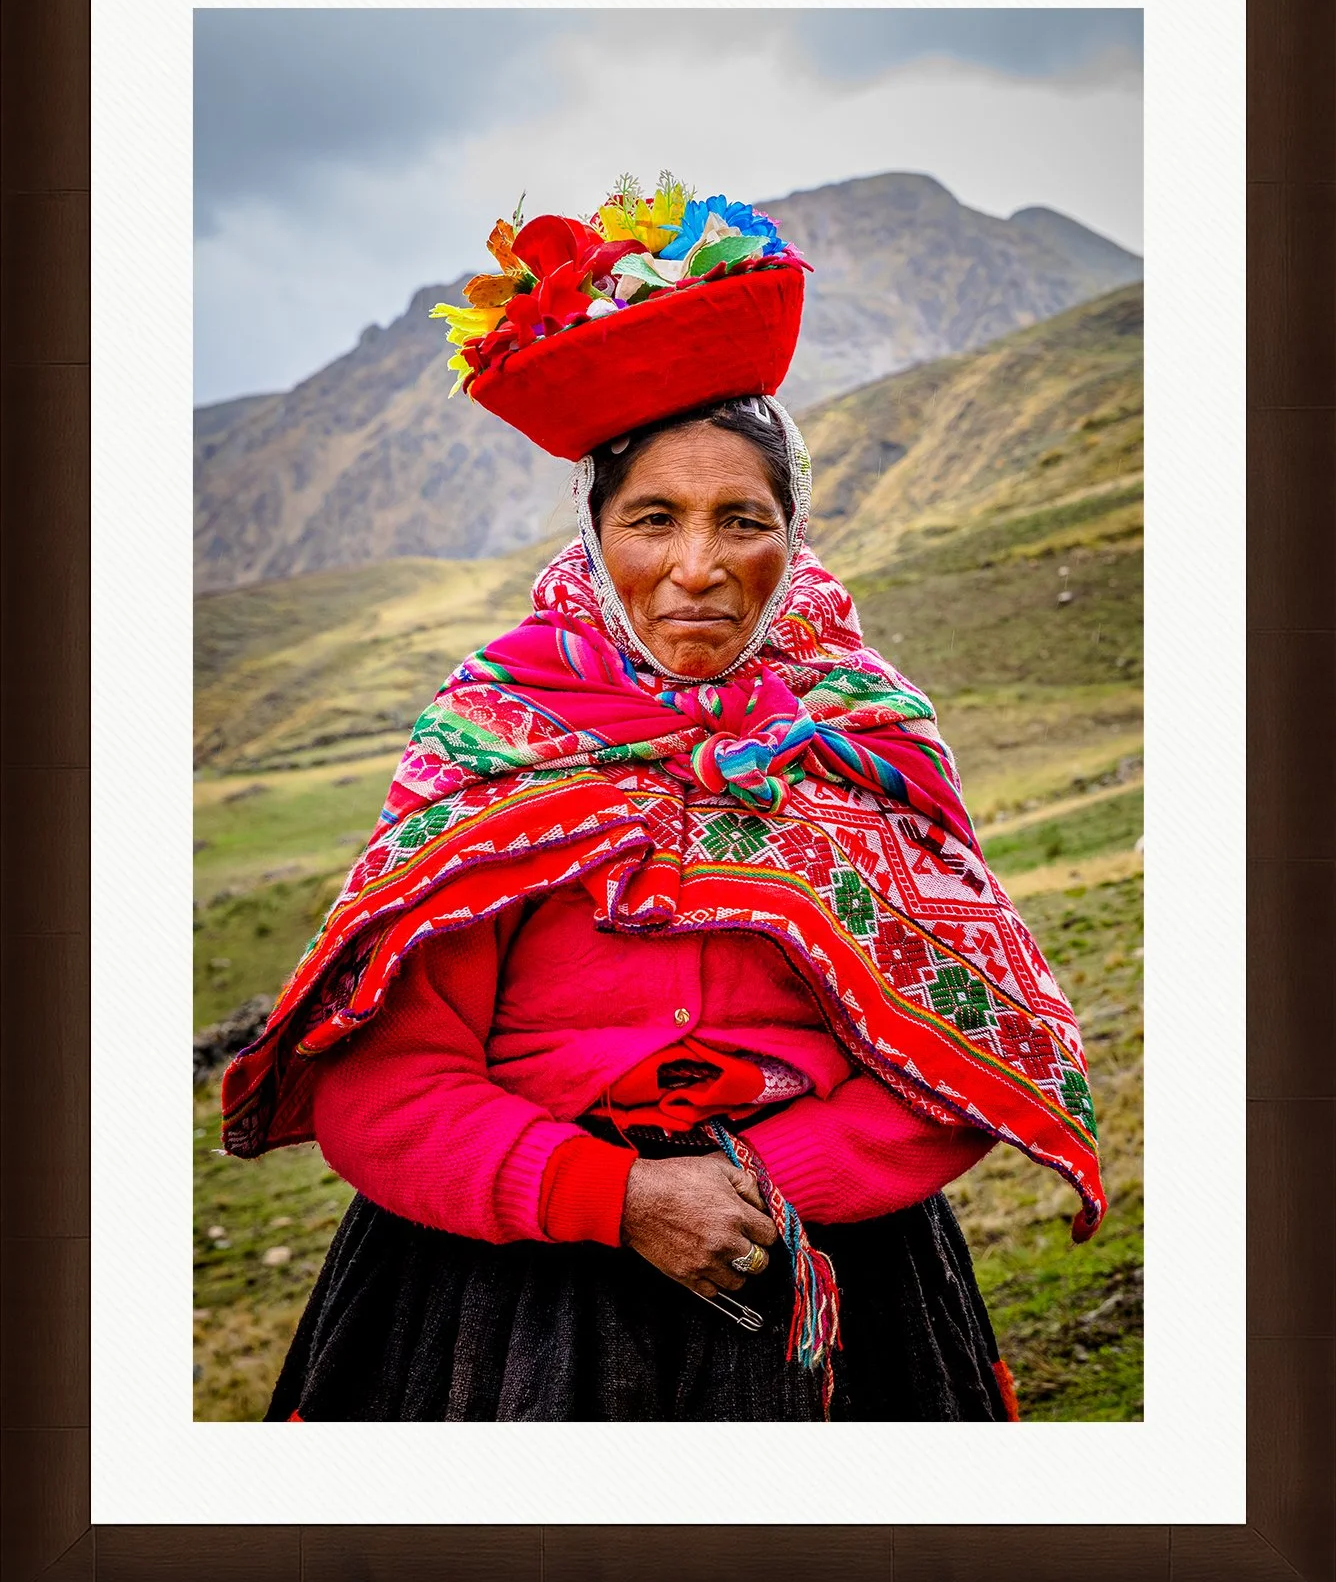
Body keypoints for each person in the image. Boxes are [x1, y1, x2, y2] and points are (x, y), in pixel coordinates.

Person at [221, 176, 1104, 1423]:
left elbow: (948, 1050)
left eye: (740, 520)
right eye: (652, 519)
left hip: (833, 1290)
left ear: (791, 549)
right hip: (504, 1306)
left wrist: (750, 1186)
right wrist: (614, 1199)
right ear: (593, 543)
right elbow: (383, 1091)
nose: (696, 567)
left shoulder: (859, 742)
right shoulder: (493, 744)